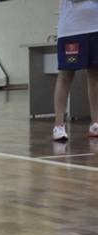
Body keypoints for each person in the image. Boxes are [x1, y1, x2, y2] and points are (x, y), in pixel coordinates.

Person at [52, 0, 98, 141]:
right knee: (65, 75)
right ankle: (58, 125)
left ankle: (95, 123)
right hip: (71, 30)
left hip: (95, 28)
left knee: (95, 75)